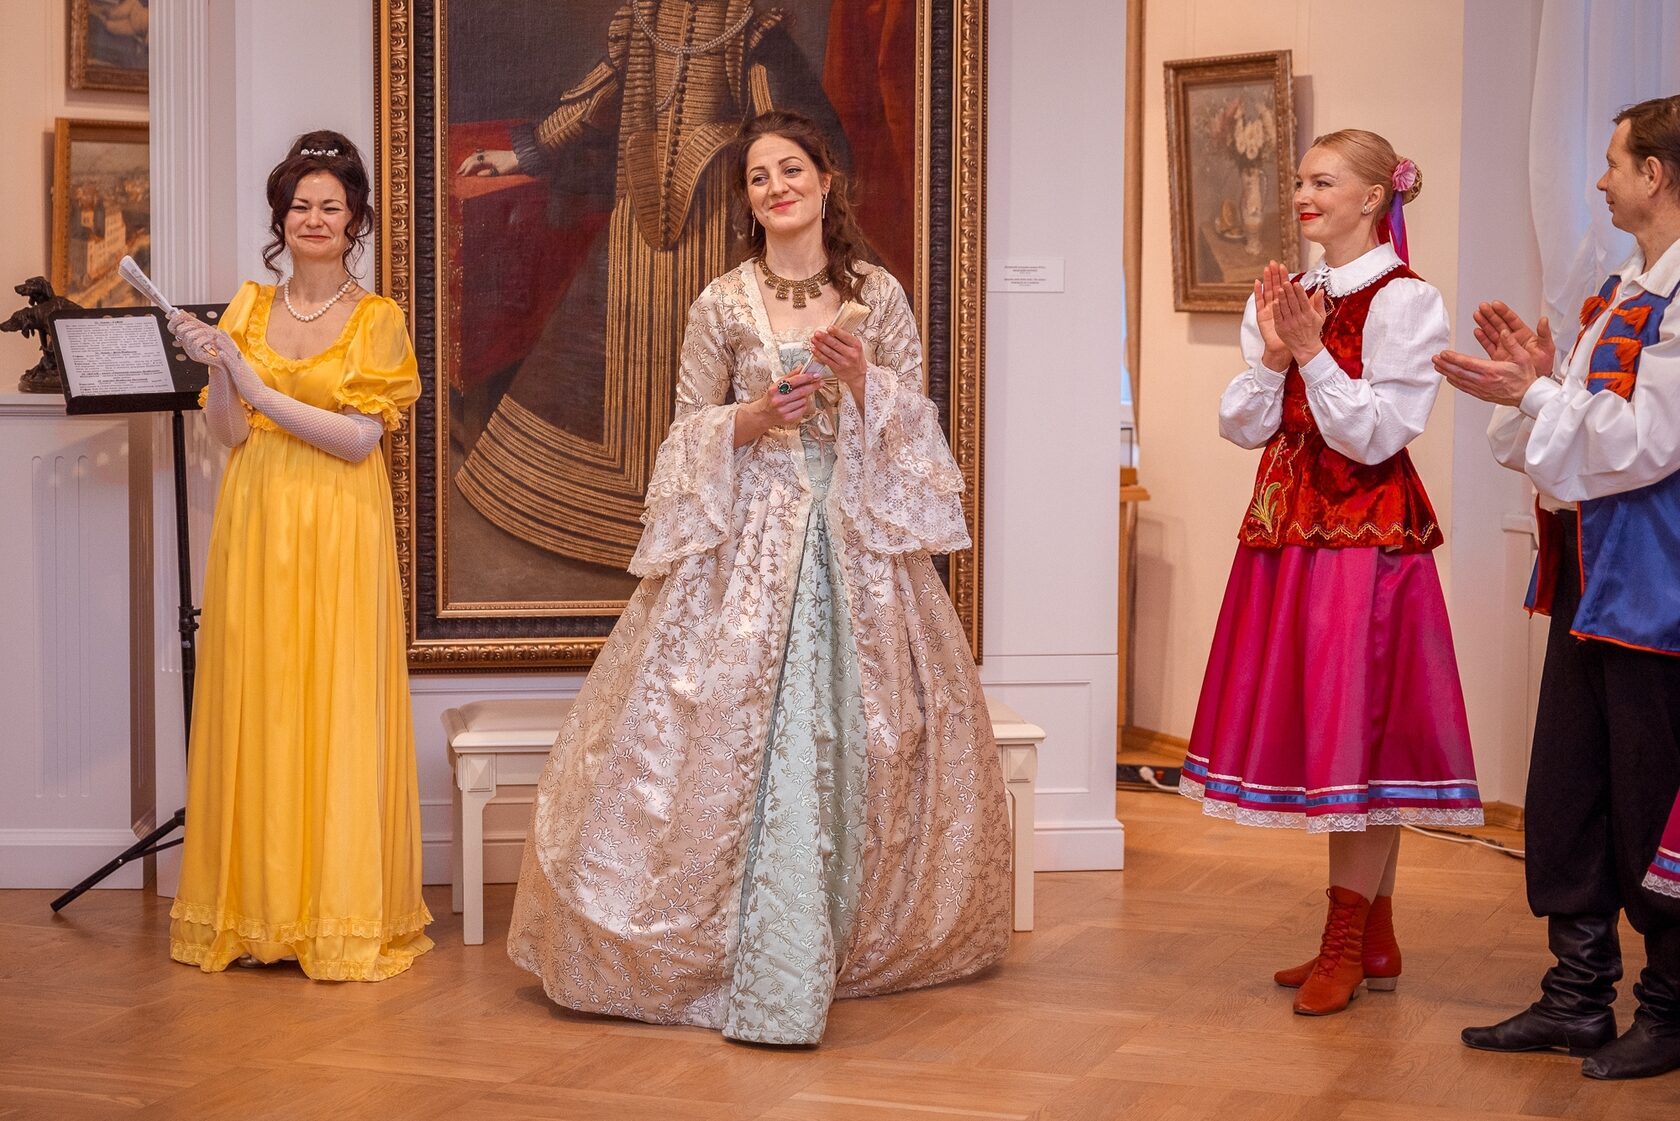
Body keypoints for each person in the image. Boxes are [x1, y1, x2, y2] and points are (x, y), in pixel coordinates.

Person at [506, 109, 1010, 1045]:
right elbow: (683, 433)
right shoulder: (722, 303)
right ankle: (720, 942)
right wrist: (754, 418)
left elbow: (915, 423)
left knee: (869, 729)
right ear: (747, 199)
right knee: (719, 731)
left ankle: (848, 932)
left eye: (790, 170)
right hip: (749, 545)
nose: (776, 187)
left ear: (825, 181)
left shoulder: (877, 296)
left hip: (856, 543)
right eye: (758, 177)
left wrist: (862, 383)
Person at [1179, 129, 1482, 1016]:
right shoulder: (1290, 295)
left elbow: (1376, 434)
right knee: (1338, 732)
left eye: (1323, 181)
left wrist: (1312, 355)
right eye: (1301, 180)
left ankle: (1347, 939)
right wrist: (1278, 357)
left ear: (1375, 196)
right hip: (1288, 533)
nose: (1304, 195)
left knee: (1364, 733)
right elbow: (1244, 424)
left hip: (1364, 543)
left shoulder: (1407, 300)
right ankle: (1371, 932)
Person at [1435, 94, 1680, 1080]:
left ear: (1656, 174)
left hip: (1657, 591)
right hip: (1591, 575)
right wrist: (1539, 378)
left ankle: (1670, 1006)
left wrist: (1540, 392)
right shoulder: (1624, 287)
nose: (1600, 180)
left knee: (1651, 795)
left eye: (1614, 162)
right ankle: (1577, 995)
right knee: (1571, 786)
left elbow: (1642, 443)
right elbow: (1575, 438)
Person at [165, 130, 432, 981]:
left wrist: (257, 383)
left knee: (334, 700)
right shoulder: (246, 308)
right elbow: (230, 433)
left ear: (355, 219)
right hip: (255, 519)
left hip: (340, 524)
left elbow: (357, 440)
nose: (314, 218)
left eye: (331, 206)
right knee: (261, 700)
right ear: (281, 216)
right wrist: (219, 370)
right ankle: (258, 914)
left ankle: (335, 917)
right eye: (300, 205)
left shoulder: (377, 318)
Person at [455, 0, 846, 573]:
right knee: (597, 358)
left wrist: (729, 154)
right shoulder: (642, 20)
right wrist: (524, 151)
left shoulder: (751, 26)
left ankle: (707, 525)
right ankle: (611, 513)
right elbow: (593, 97)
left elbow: (781, 133)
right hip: (638, 221)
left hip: (720, 224)